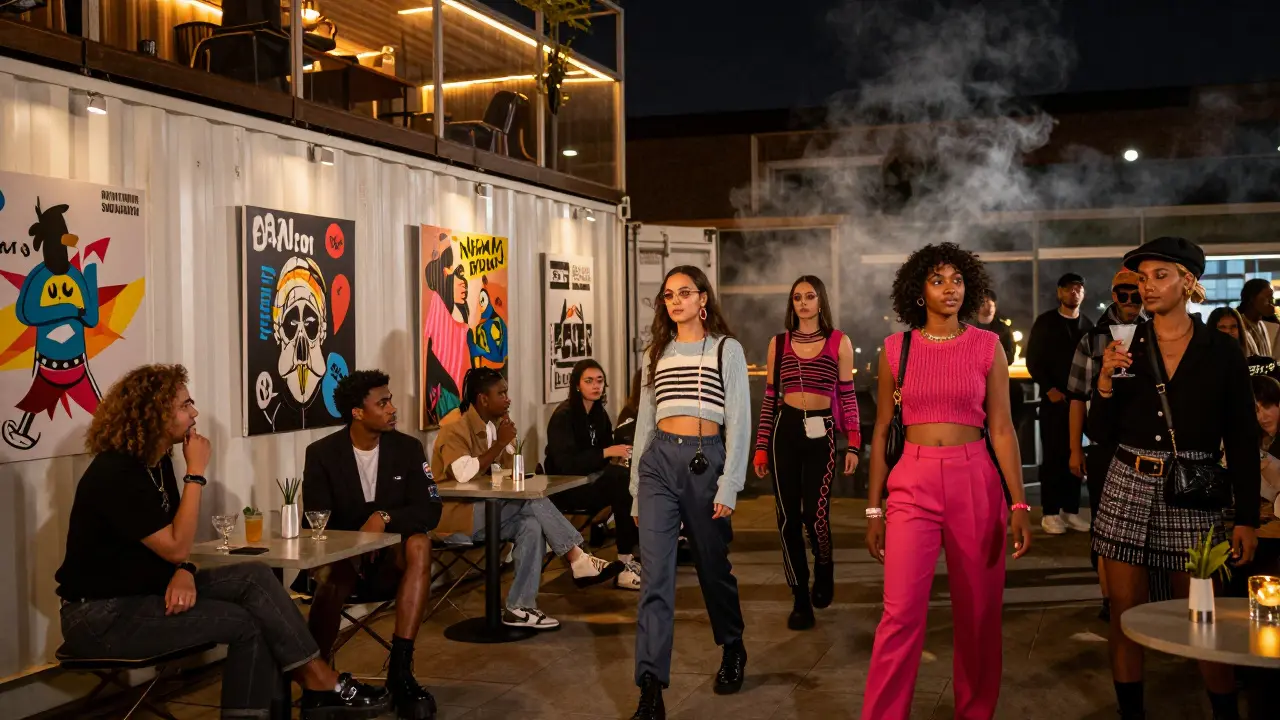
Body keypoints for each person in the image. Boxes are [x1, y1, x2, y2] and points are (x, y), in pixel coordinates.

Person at [55, 364, 390, 719]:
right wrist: (196, 474)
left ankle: (312, 684)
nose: (194, 413)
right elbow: (175, 545)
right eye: (184, 406)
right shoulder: (115, 473)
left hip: (147, 593)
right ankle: (316, 683)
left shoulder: (155, 463)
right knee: (247, 622)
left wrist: (184, 569)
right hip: (101, 615)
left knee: (256, 576)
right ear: (154, 414)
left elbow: (174, 549)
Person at [861, 243, 1032, 720]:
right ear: (919, 291)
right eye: (938, 280)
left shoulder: (986, 346)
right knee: (899, 615)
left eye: (957, 280)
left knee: (978, 616)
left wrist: (1018, 504)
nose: (950, 289)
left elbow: (1002, 428)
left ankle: (975, 712)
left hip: (975, 478)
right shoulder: (897, 349)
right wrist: (874, 509)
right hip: (911, 482)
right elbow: (881, 429)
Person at [1091, 236, 1259, 720]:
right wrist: (1104, 381)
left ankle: (1225, 712)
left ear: (1189, 282)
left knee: (1202, 615)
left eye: (1160, 276)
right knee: (1124, 613)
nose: (1147, 287)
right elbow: (1101, 434)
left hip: (1195, 488)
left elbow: (1243, 437)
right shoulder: (1125, 344)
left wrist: (1245, 517)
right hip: (1127, 482)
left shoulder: (1221, 350)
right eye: (1142, 278)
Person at [629, 265, 750, 720]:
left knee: (713, 568)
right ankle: (650, 688)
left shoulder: (726, 350)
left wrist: (731, 483)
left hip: (707, 463)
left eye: (684, 293)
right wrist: (637, 490)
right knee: (655, 580)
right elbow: (644, 421)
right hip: (658, 463)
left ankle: (733, 646)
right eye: (667, 295)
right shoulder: (654, 353)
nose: (675, 301)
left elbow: (738, 420)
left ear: (703, 299)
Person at [430, 368, 622, 630]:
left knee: (530, 524)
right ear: (483, 399)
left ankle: (520, 607)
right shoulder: (454, 430)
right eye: (502, 394)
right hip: (455, 518)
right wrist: (499, 445)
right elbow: (462, 474)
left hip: (491, 511)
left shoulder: (495, 427)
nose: (508, 399)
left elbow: (508, 475)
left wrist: (508, 445)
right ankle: (578, 558)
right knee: (531, 500)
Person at [302, 370, 441, 719]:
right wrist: (359, 541)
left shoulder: (408, 448)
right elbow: (316, 519)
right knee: (331, 573)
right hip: (345, 563)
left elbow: (430, 508)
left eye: (390, 399)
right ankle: (316, 681)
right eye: (383, 403)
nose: (393, 408)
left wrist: (384, 518)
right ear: (357, 412)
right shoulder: (321, 453)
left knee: (420, 544)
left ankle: (401, 671)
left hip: (394, 565)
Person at [752, 275, 860, 631]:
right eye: (796, 297)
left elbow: (847, 395)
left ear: (820, 301)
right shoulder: (778, 344)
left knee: (815, 517)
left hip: (822, 432)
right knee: (787, 519)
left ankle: (824, 566)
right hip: (785, 431)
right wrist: (761, 447)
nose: (803, 302)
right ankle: (800, 598)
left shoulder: (839, 342)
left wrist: (854, 443)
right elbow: (770, 397)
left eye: (809, 296)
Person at [1065, 268, 1147, 621]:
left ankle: (1139, 594)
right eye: (1124, 295)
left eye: (1137, 294)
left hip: (1143, 442)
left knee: (1142, 523)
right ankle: (1109, 598)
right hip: (1104, 443)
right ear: (1114, 296)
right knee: (1102, 523)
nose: (1131, 302)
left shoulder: (1154, 334)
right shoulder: (1092, 340)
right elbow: (1076, 398)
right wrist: (1074, 448)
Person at [544, 358, 642, 590]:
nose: (596, 386)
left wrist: (619, 457)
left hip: (593, 482)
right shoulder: (563, 416)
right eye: (589, 381)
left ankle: (632, 557)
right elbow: (566, 463)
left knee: (630, 477)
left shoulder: (599, 414)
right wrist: (607, 452)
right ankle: (625, 560)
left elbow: (606, 454)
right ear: (577, 385)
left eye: (599, 381)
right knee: (620, 480)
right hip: (566, 488)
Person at [1027, 272, 1094, 535]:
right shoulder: (1046, 322)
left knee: (1076, 455)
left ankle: (1071, 510)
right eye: (1068, 289)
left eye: (1078, 289)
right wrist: (1048, 388)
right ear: (1059, 293)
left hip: (1079, 401)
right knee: (1054, 456)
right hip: (1054, 400)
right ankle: (1051, 513)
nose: (1074, 293)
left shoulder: (1087, 325)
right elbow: (1034, 359)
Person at [1237, 278, 1279, 359]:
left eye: (1272, 298)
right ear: (1252, 298)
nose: (1272, 303)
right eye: (1268, 297)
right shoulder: (1236, 326)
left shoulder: (1266, 326)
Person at [973, 289, 1015, 363]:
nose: (983, 303)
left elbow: (1010, 357)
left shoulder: (1004, 329)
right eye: (981, 300)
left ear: (994, 305)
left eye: (987, 300)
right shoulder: (966, 327)